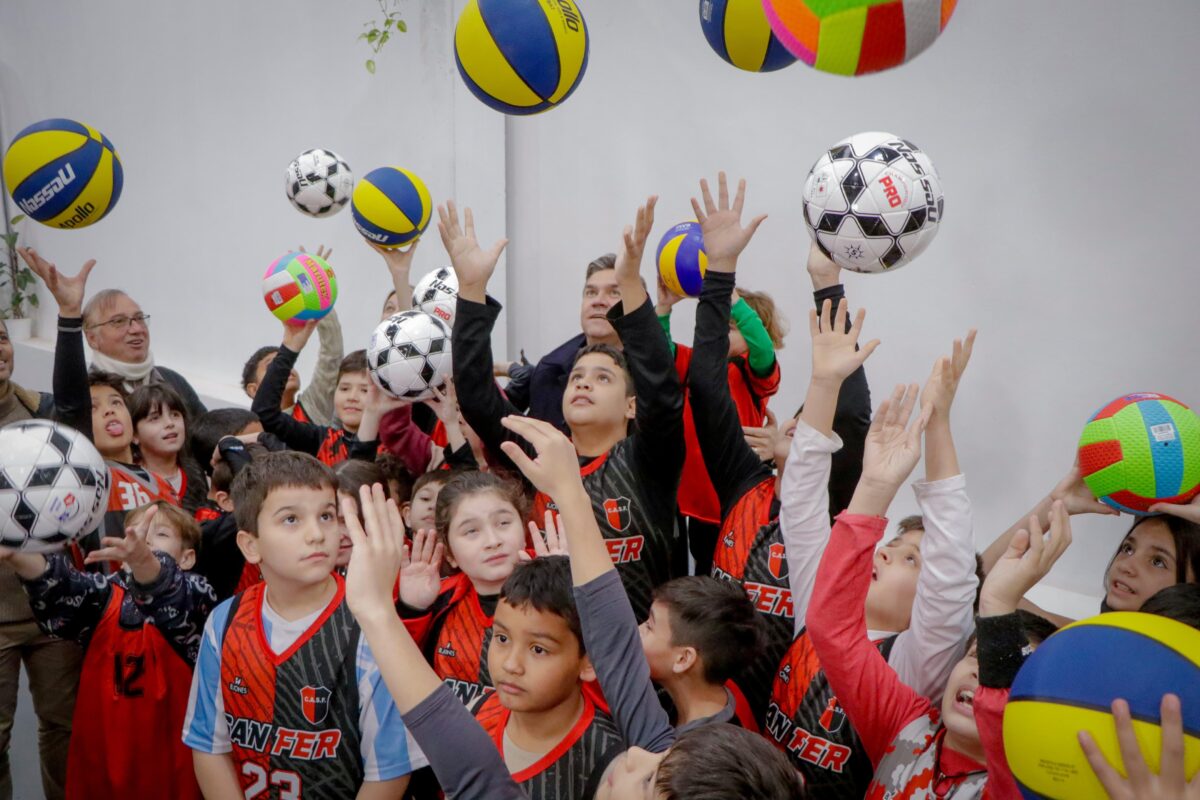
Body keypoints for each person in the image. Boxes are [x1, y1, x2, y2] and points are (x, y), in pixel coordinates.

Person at [337, 422, 805, 799]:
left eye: (646, 782)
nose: (638, 754)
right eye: (501, 637)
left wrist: (377, 612)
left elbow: (467, 765)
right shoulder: (660, 758)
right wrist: (572, 494)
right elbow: (616, 641)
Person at [805, 386, 1055, 799]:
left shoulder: (1015, 787)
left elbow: (953, 579)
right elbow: (829, 625)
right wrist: (873, 487)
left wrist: (996, 607)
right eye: (976, 657)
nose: (979, 671)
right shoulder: (905, 722)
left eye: (1002, 670)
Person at [768, 313, 979, 795]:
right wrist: (823, 384)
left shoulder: (913, 668)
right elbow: (800, 501)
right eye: (892, 548)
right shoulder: (815, 601)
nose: (883, 556)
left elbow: (951, 575)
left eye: (911, 560)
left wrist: (937, 426)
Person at [446, 197, 684, 622]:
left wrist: (631, 287)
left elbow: (662, 393)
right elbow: (480, 399)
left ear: (632, 406)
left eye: (603, 378)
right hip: (554, 651)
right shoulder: (543, 456)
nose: (584, 382)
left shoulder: (649, 460)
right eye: (577, 377)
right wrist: (471, 293)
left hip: (635, 659)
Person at [687, 220, 870, 722]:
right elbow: (706, 388)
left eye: (808, 427)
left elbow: (850, 418)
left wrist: (826, 285)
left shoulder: (830, 504)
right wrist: (719, 272)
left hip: (792, 704)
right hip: (716, 699)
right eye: (793, 421)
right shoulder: (742, 481)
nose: (798, 426)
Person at [182, 450, 427, 798]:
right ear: (251, 545)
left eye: (327, 515)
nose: (317, 533)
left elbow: (389, 773)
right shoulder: (224, 621)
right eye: (291, 519)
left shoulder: (370, 625)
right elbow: (209, 746)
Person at [3, 502, 216, 799]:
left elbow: (170, 597)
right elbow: (62, 585)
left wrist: (144, 562)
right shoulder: (103, 594)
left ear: (188, 557)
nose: (144, 540)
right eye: (136, 533)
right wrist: (16, 555)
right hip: (105, 752)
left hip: (171, 757)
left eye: (161, 534)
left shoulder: (198, 594)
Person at [0, 252, 99, 800]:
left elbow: (76, 412)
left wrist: (68, 317)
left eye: (1, 337)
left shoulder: (37, 410)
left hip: (52, 607)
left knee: (65, 731)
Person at [657, 272, 783, 576]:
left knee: (724, 566)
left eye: (732, 328)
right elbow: (662, 354)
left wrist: (734, 301)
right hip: (692, 494)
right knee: (695, 561)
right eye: (720, 326)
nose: (722, 333)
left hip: (732, 494)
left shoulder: (753, 371)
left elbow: (763, 348)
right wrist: (663, 309)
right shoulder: (697, 363)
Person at [472, 556, 624, 799]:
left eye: (538, 649)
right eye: (502, 638)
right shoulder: (474, 715)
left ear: (589, 661)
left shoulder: (611, 771)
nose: (511, 665)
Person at [983, 466, 1200, 625]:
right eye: (1128, 549)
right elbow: (979, 587)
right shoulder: (1077, 637)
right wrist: (1058, 504)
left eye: (1157, 561)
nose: (1126, 565)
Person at [18, 244, 210, 422]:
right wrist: (69, 310)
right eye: (119, 322)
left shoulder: (171, 380)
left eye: (139, 318)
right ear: (93, 338)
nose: (136, 329)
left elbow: (206, 435)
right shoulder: (87, 394)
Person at [396, 471, 532, 707]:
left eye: (503, 523)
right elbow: (399, 677)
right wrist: (412, 610)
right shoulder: (441, 601)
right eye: (471, 531)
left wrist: (570, 596)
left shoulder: (560, 593)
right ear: (450, 553)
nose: (492, 540)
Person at [508, 254, 624, 431]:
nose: (598, 301)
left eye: (614, 292)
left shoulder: (655, 367)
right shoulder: (550, 369)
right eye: (591, 292)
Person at [251, 318, 379, 466]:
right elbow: (265, 414)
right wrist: (290, 348)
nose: (352, 397)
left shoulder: (393, 445)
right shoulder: (322, 439)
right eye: (344, 388)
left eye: (364, 390)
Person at [640, 576, 762, 731]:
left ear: (683, 659)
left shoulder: (698, 752)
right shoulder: (721, 687)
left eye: (649, 626)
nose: (637, 630)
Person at [128, 383, 207, 513]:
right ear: (134, 435)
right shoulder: (127, 480)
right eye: (155, 418)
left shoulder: (195, 473)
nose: (170, 424)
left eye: (175, 415)